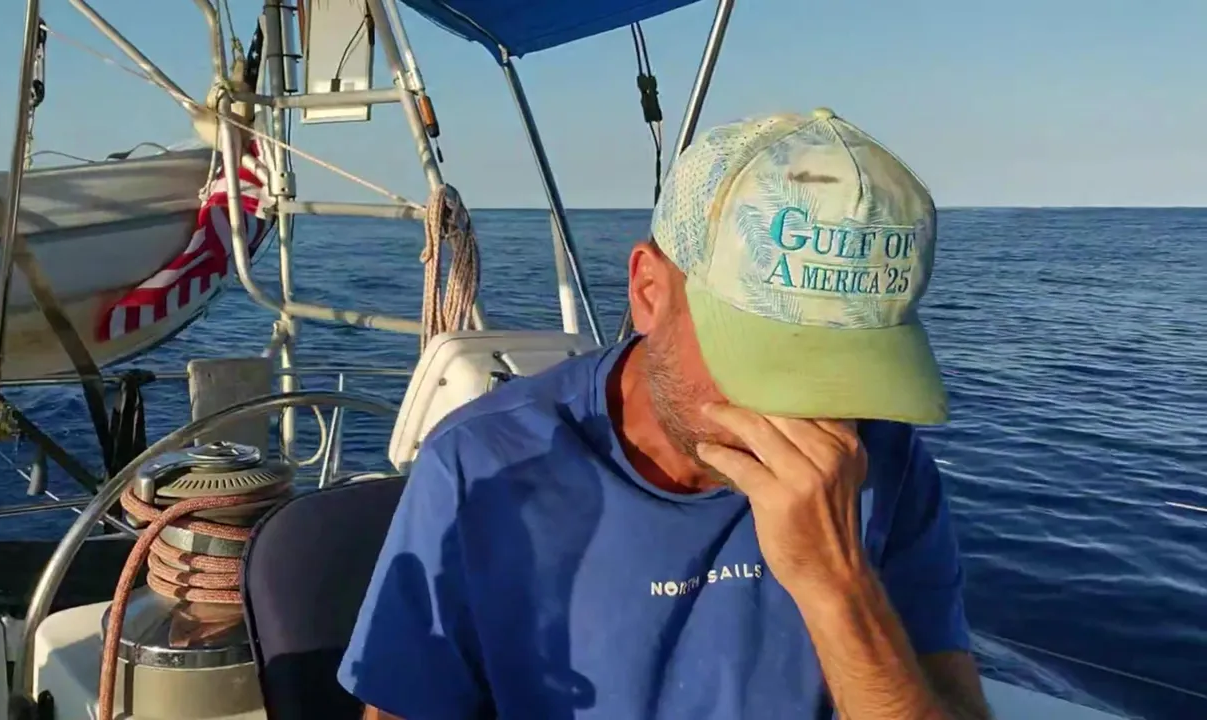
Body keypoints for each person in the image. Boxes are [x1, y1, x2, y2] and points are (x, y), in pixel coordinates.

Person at [339, 109, 992, 720]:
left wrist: (839, 589)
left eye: (844, 368)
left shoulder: (882, 463)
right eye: (769, 355)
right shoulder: (481, 463)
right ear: (649, 291)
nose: (805, 404)